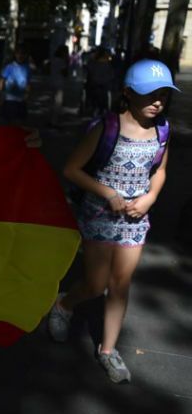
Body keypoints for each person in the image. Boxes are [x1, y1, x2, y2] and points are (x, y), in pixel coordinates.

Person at [47, 59, 180, 383]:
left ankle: (108, 351)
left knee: (120, 285)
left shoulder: (163, 129)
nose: (157, 101)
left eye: (163, 94)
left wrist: (150, 198)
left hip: (135, 219)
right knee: (96, 285)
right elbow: (71, 170)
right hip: (99, 216)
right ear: (127, 93)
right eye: (150, 95)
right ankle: (65, 305)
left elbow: (159, 171)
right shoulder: (106, 127)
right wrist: (107, 193)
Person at [0, 45, 32, 125]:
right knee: (10, 121)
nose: (20, 55)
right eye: (18, 53)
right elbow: (2, 79)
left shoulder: (27, 68)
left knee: (20, 121)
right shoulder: (9, 67)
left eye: (23, 53)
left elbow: (27, 82)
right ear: (15, 54)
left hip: (21, 99)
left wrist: (28, 93)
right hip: (10, 99)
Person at [84, 47, 114, 117]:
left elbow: (89, 72)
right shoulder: (108, 64)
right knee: (103, 103)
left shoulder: (92, 63)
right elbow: (112, 75)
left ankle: (94, 114)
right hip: (104, 86)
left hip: (94, 85)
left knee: (95, 102)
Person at [49, 44, 69, 127]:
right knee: (58, 103)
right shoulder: (62, 61)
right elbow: (65, 73)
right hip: (59, 83)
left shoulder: (54, 60)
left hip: (52, 82)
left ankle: (51, 120)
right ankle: (55, 122)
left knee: (52, 102)